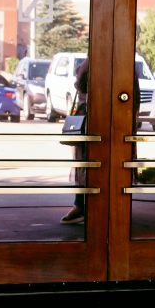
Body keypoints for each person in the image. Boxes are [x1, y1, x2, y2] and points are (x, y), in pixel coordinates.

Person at [61, 57, 89, 224]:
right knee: (85, 164)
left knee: (85, 163)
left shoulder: (90, 62)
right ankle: (81, 205)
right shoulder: (90, 62)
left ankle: (82, 206)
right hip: (88, 118)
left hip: (97, 118)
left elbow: (80, 84)